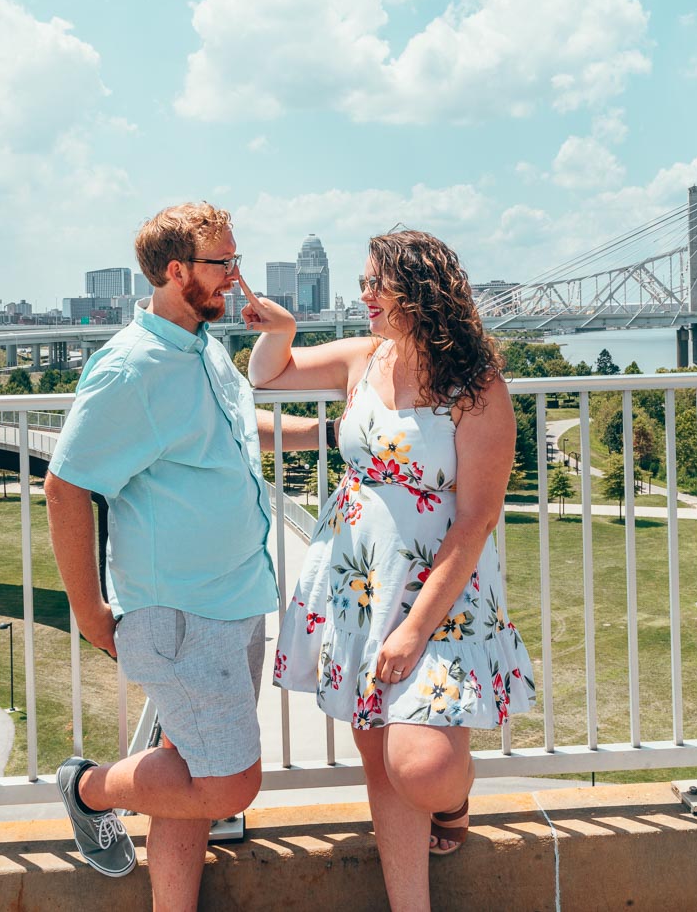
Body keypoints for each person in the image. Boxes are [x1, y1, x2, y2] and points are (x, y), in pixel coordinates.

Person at [242, 229, 536, 912]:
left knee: (423, 769)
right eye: (365, 282)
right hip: (357, 581)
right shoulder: (362, 357)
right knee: (379, 760)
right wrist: (281, 328)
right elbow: (267, 375)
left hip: (443, 592)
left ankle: (453, 799)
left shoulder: (477, 388)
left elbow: (475, 522)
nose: (364, 295)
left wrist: (412, 632)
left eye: (377, 283)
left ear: (420, 292)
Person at [45, 201, 320, 912]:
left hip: (233, 603)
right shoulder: (131, 369)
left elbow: (229, 428)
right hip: (180, 615)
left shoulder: (200, 346)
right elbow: (66, 486)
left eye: (235, 260)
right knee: (229, 783)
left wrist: (322, 434)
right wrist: (88, 611)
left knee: (194, 784)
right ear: (176, 271)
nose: (237, 276)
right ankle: (86, 786)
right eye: (222, 263)